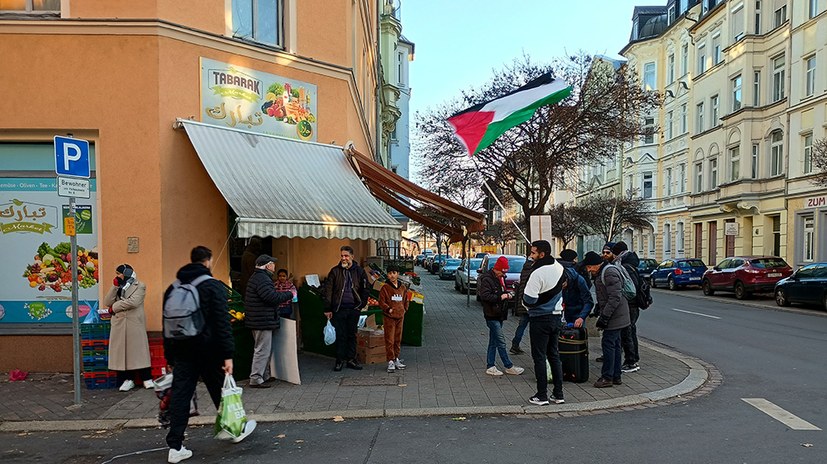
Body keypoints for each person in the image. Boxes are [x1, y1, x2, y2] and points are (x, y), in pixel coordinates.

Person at [164, 246, 255, 463]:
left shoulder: (173, 287)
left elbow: (167, 323)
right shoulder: (212, 286)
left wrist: (170, 357)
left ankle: (175, 446)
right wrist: (228, 355)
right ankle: (234, 429)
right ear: (208, 261)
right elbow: (222, 323)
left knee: (181, 395)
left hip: (182, 351)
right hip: (209, 350)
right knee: (220, 390)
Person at [522, 240, 566, 406]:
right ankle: (558, 393)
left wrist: (525, 303)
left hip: (540, 319)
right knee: (554, 355)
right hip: (556, 316)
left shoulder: (537, 273)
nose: (530, 256)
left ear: (542, 254)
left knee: (539, 357)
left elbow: (529, 299)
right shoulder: (559, 267)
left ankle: (541, 395)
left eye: (533, 253)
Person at [581, 250, 631, 389]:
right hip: (617, 314)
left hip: (615, 316)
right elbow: (606, 296)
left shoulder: (608, 273)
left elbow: (615, 297)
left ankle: (607, 377)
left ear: (596, 265)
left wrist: (604, 317)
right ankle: (616, 376)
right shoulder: (603, 272)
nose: (588, 270)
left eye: (590, 267)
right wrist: (599, 309)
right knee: (614, 345)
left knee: (609, 345)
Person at [245, 255, 293, 388]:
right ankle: (256, 378)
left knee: (265, 349)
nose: (274, 266)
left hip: (259, 319)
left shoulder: (258, 277)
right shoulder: (262, 279)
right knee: (262, 349)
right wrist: (289, 294)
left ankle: (264, 375)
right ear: (267, 266)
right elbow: (271, 297)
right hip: (262, 320)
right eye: (272, 263)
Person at [104, 264, 153, 392]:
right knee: (122, 353)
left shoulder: (140, 285)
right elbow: (108, 301)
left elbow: (133, 302)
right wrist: (114, 286)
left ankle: (147, 378)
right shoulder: (118, 286)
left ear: (126, 273)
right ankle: (127, 380)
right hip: (119, 323)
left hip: (134, 323)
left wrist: (114, 308)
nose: (117, 276)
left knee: (138, 351)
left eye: (119, 273)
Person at [323, 245, 370, 371]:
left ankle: (351, 359)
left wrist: (361, 305)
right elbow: (328, 290)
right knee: (340, 335)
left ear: (352, 257)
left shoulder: (359, 271)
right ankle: (339, 360)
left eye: (346, 256)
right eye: (342, 256)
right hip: (339, 309)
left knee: (352, 335)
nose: (344, 258)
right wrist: (327, 308)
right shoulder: (335, 271)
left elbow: (366, 289)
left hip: (354, 309)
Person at [478, 256, 525, 377]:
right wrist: (502, 297)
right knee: (501, 341)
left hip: (499, 314)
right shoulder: (487, 279)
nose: (503, 274)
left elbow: (500, 292)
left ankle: (491, 365)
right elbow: (484, 296)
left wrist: (507, 294)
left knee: (493, 341)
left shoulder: (501, 278)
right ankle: (508, 366)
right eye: (502, 271)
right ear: (496, 269)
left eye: (505, 272)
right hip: (491, 314)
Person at [611, 241, 642, 373]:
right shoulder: (630, 263)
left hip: (630, 304)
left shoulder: (625, 266)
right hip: (632, 304)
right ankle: (632, 359)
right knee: (630, 332)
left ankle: (631, 361)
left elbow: (631, 288)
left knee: (628, 333)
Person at [378, 264, 409, 373]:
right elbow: (381, 302)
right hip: (389, 317)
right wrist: (388, 309)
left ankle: (396, 358)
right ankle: (390, 360)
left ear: (398, 274)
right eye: (390, 273)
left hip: (400, 316)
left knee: (397, 339)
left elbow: (406, 299)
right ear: (387, 274)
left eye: (394, 273)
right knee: (389, 339)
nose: (392, 275)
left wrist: (405, 309)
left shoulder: (402, 287)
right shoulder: (385, 288)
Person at [558, 249, 594, 329]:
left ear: (567, 280)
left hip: (577, 310)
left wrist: (581, 317)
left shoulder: (579, 279)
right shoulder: (556, 272)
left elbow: (588, 301)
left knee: (577, 335)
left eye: (563, 285)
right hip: (560, 312)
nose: (562, 288)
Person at [509, 255, 535, 354]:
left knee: (522, 325)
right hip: (532, 302)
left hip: (523, 301)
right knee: (534, 327)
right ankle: (535, 347)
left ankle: (515, 344)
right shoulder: (534, 270)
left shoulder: (524, 268)